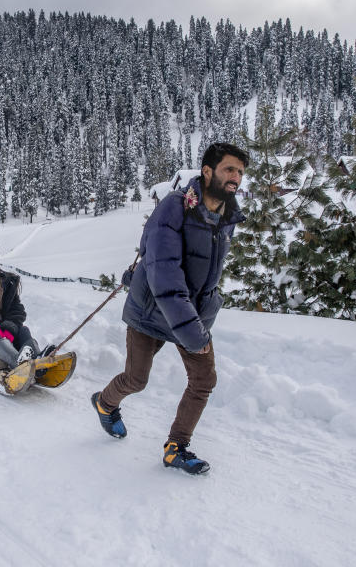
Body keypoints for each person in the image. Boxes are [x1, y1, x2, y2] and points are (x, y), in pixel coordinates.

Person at [91, 142, 249, 475]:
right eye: (229, 169)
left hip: (192, 312)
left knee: (204, 380)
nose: (236, 177)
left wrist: (199, 317)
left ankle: (176, 448)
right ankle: (105, 403)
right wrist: (193, 332)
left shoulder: (228, 214)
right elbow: (165, 273)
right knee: (136, 379)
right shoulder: (174, 208)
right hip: (151, 310)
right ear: (207, 171)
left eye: (240, 172)